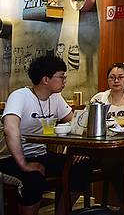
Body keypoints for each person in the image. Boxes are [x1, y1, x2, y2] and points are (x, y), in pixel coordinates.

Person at [0, 55, 91, 215]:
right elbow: (10, 129)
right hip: (9, 159)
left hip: (40, 155)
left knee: (81, 166)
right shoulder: (20, 96)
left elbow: (76, 124)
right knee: (33, 177)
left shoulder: (55, 98)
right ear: (46, 79)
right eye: (61, 77)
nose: (64, 81)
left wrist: (80, 150)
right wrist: (24, 164)